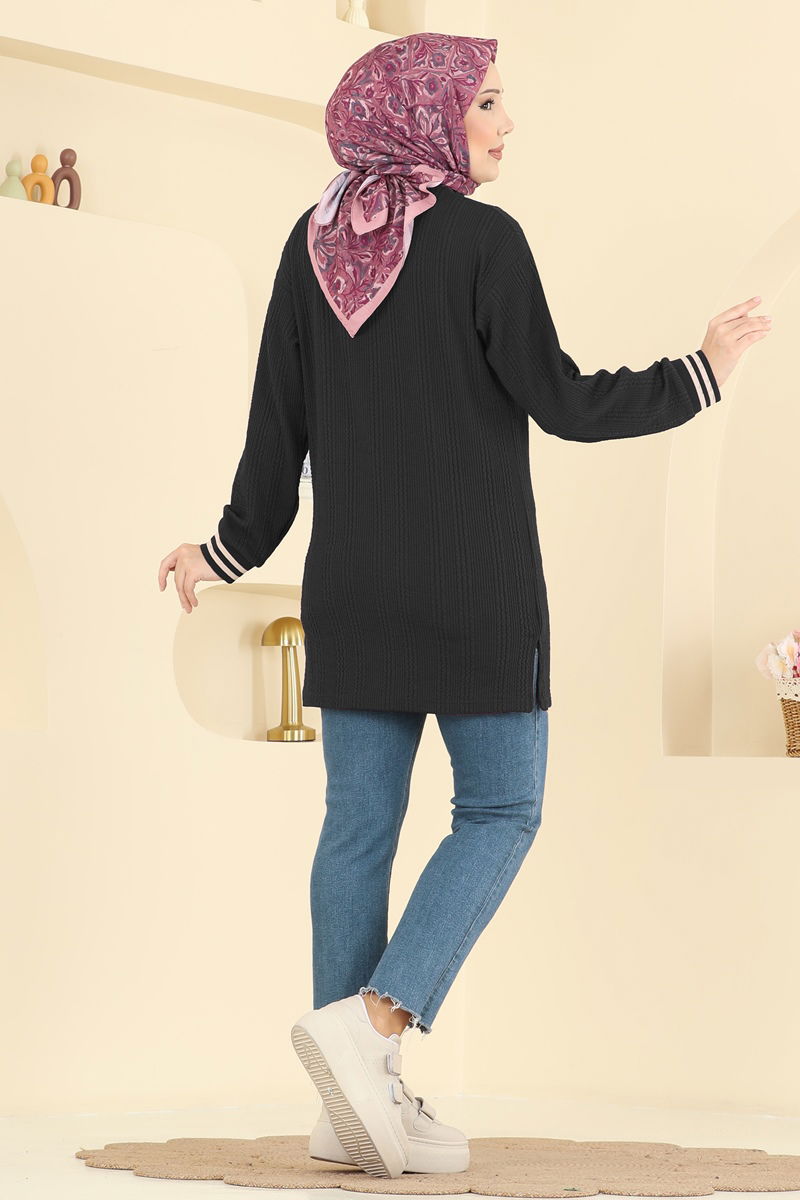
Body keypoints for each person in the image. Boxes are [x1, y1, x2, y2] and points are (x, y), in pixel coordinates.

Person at [158, 32, 772, 1180]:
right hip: (474, 593)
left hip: (353, 596)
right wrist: (699, 373)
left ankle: (348, 1103)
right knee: (500, 811)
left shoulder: (312, 246)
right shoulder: (485, 243)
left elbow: (274, 440)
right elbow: (561, 400)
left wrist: (222, 552)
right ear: (427, 112)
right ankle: (371, 1033)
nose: (503, 122)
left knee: (357, 829)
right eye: (485, 101)